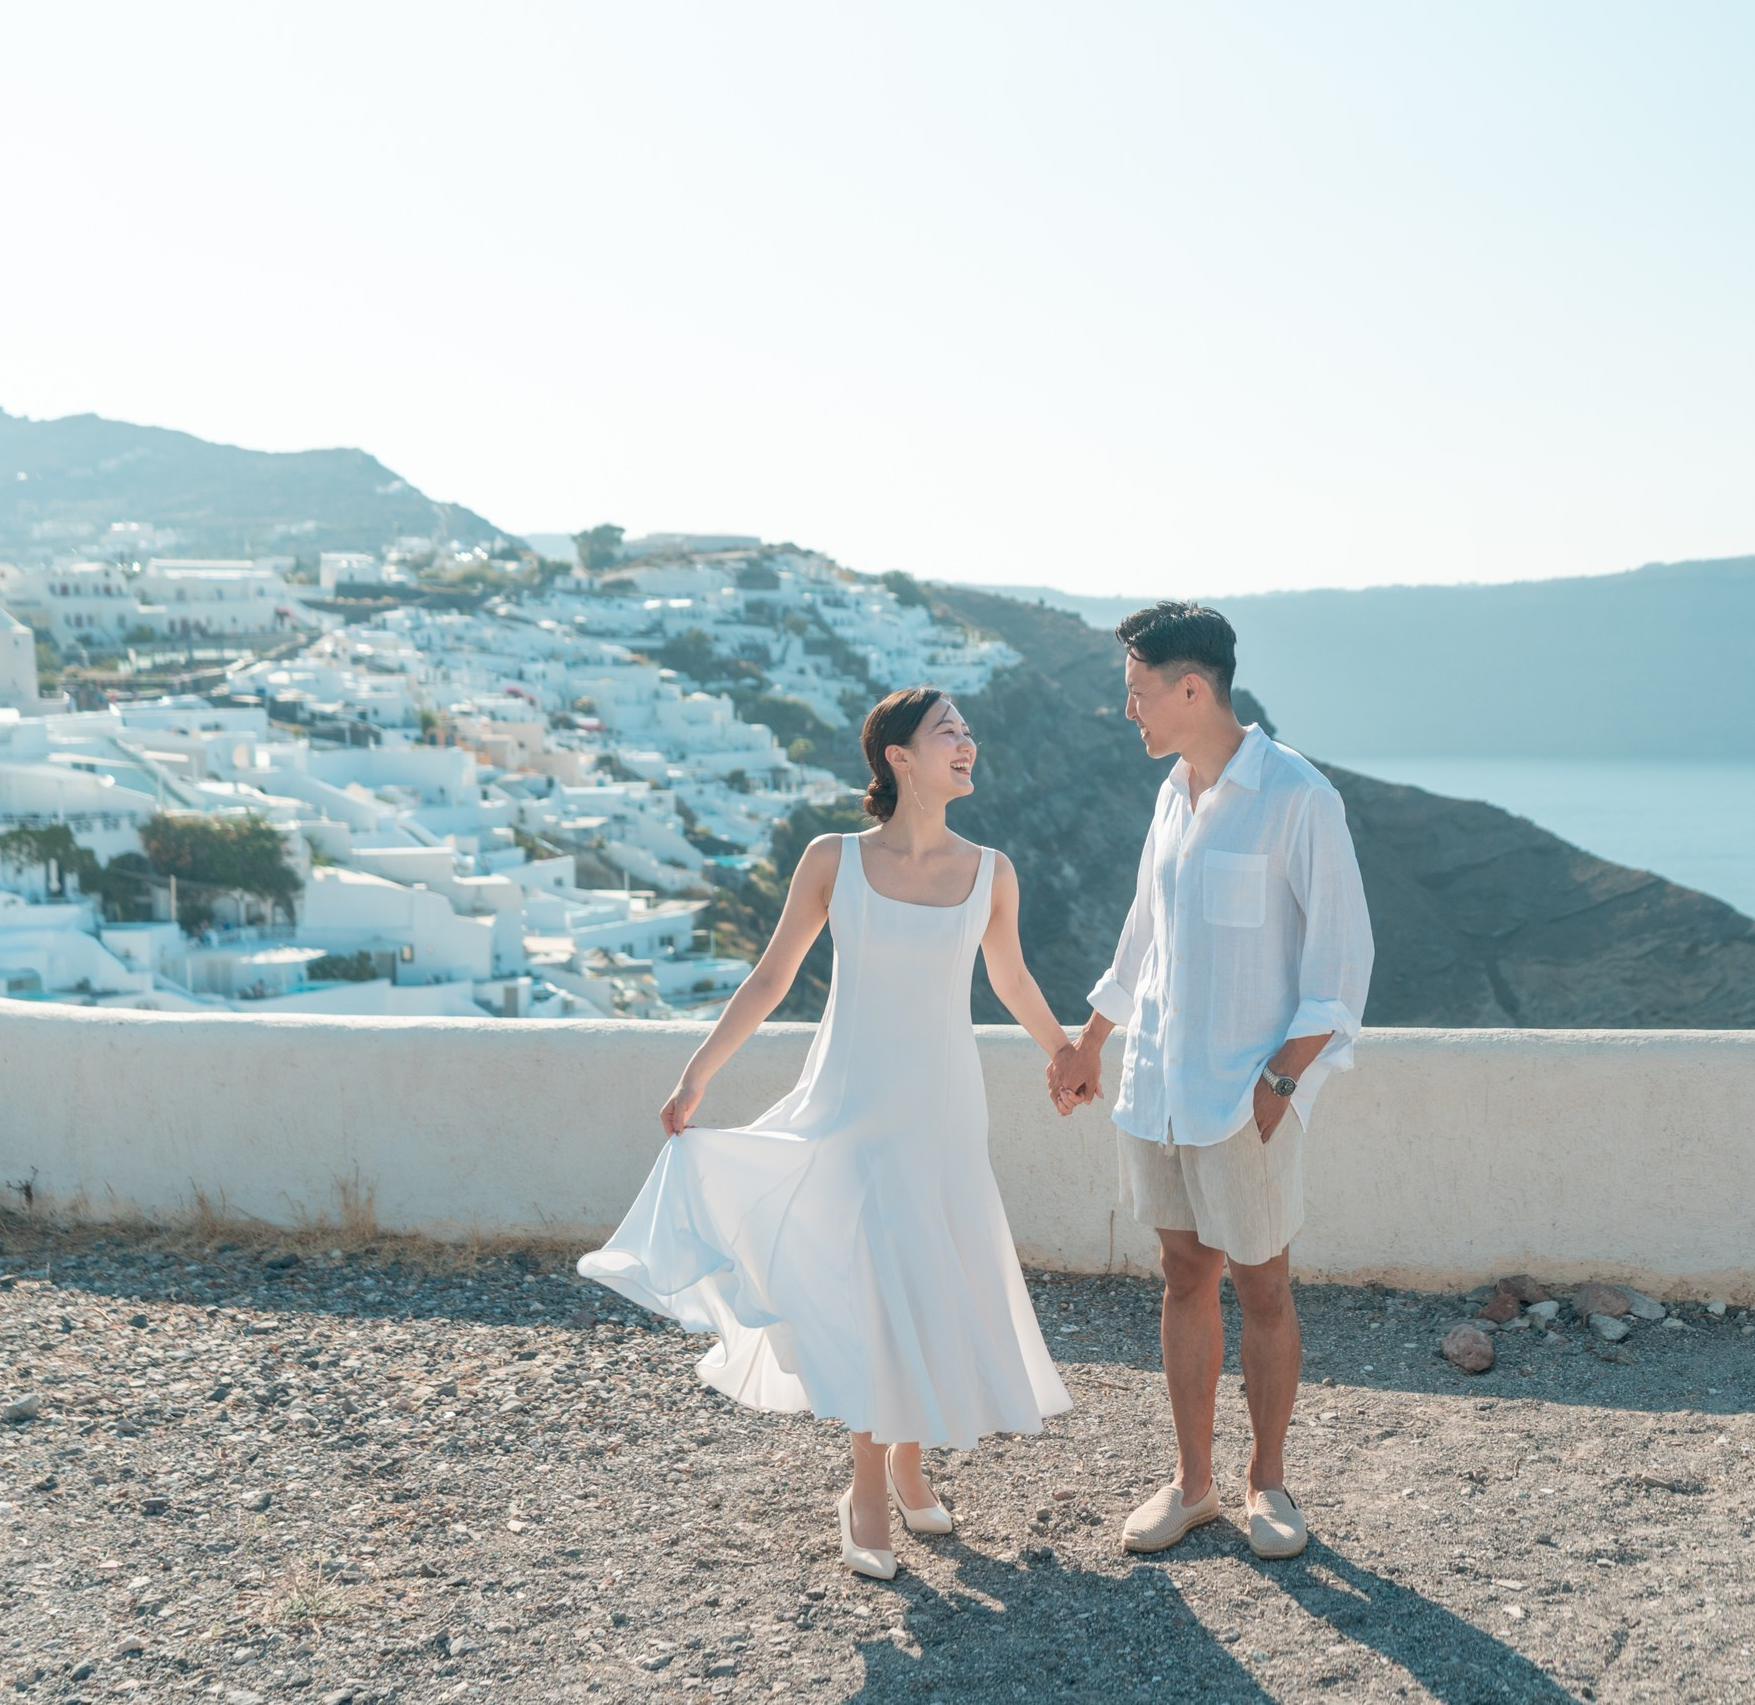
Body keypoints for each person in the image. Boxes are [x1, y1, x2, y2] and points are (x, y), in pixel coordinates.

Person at [579, 687, 1075, 1580]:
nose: (967, 741)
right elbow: (772, 978)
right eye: (948, 731)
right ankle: (866, 1492)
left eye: (967, 730)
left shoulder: (991, 871)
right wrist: (698, 1072)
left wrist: (1065, 1052)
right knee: (872, 1294)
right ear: (899, 757)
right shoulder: (832, 858)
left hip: (943, 1113)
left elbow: (1012, 980)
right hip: (851, 1108)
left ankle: (910, 1467)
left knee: (923, 1281)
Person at [1049, 602, 1373, 1561]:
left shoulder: (1298, 795)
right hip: (1157, 1086)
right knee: (1183, 1274)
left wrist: (1279, 1085)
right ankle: (1193, 1485)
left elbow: (1341, 965)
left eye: (1138, 693)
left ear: (1192, 688)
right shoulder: (1171, 795)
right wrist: (1091, 1042)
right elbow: (1140, 936)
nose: (1129, 711)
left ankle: (1268, 1482)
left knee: (1264, 1286)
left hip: (1245, 1099)